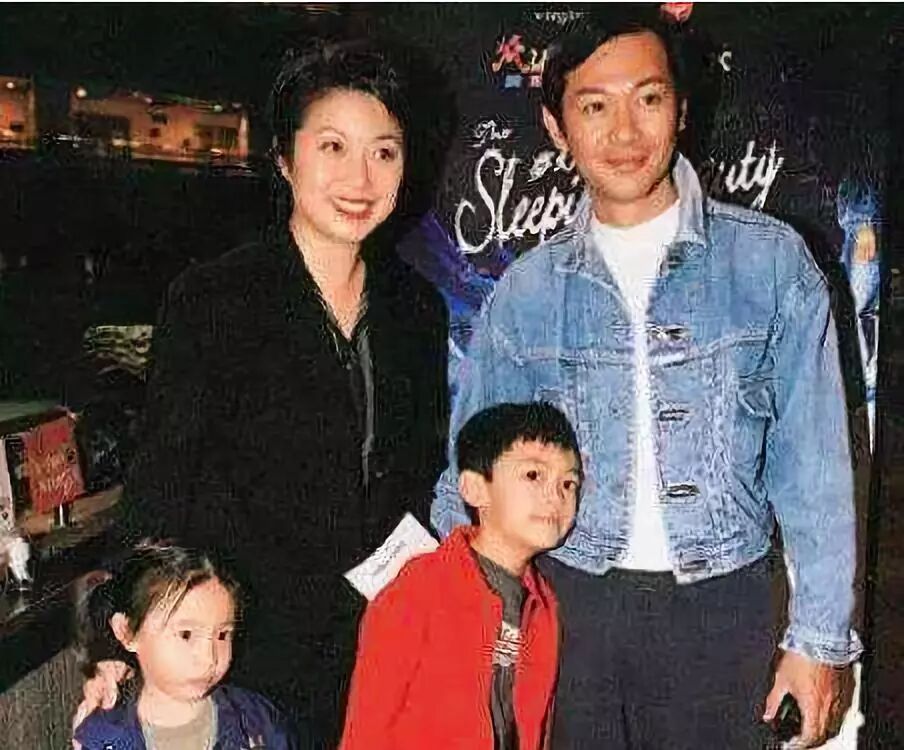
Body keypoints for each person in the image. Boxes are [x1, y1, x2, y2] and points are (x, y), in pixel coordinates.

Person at [431, 8, 860, 749]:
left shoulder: (770, 264)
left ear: (682, 109)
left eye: (649, 98)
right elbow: (468, 475)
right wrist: (454, 618)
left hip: (725, 610)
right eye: (595, 106)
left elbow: (815, 469)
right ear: (557, 126)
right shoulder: (527, 293)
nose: (624, 132)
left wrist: (818, 640)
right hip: (566, 606)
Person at [75, 38, 449, 748]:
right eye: (332, 147)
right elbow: (161, 480)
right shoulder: (215, 299)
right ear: (284, 157)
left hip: (385, 645)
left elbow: (419, 478)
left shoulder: (417, 310)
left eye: (384, 151)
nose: (360, 177)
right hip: (247, 657)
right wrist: (114, 644)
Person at [340, 402, 581, 750]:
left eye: (569, 483)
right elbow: (365, 731)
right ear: (474, 488)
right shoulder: (418, 590)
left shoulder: (543, 607)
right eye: (533, 475)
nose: (555, 495)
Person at [73, 541, 294, 749]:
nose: (209, 658)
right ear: (126, 631)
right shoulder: (103, 739)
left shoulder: (256, 720)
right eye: (186, 634)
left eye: (222, 635)